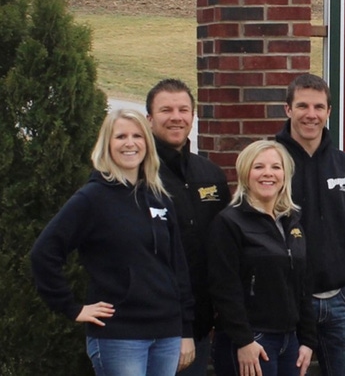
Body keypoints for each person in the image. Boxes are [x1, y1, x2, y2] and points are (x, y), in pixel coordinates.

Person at [31, 109, 194, 375]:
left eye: (137, 136)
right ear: (107, 144)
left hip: (166, 334)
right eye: (120, 136)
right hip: (120, 336)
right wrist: (71, 308)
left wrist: (185, 329)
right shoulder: (92, 198)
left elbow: (178, 268)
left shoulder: (159, 197)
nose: (130, 143)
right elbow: (44, 253)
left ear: (147, 143)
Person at [274, 74, 345, 376]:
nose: (311, 114)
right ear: (288, 109)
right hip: (288, 305)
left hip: (342, 304)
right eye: (303, 106)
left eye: (319, 107)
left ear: (329, 112)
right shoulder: (271, 164)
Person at [207, 140, 316, 376]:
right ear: (245, 174)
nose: (268, 174)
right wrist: (244, 341)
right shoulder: (229, 222)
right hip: (251, 341)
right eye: (259, 167)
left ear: (285, 175)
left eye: (276, 167)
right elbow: (224, 289)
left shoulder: (292, 222)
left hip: (290, 342)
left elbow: (303, 285)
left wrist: (307, 340)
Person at [146, 78, 231, 375]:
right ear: (150, 118)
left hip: (198, 324)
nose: (176, 117)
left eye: (183, 109)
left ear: (193, 116)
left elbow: (225, 246)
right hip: (147, 326)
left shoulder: (211, 175)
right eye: (166, 110)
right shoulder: (137, 175)